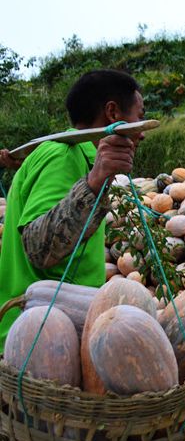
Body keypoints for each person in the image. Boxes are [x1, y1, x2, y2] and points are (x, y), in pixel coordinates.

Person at [0, 70, 145, 351]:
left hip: (55, 333)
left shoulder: (68, 155)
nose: (141, 132)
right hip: (38, 340)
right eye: (139, 116)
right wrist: (94, 183)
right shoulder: (62, 156)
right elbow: (39, 247)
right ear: (113, 112)